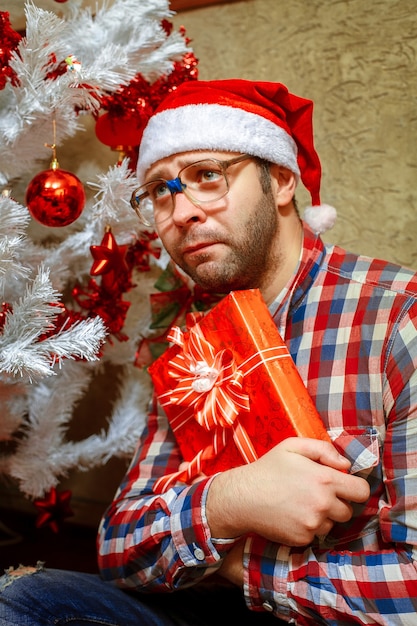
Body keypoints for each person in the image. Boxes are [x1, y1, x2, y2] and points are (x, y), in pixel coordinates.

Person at [1, 79, 417, 626]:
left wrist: (245, 567)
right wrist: (226, 502)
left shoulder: (397, 320)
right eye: (159, 191)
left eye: (207, 176)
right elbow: (120, 546)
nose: (181, 212)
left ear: (283, 180)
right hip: (203, 608)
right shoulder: (193, 335)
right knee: (24, 600)